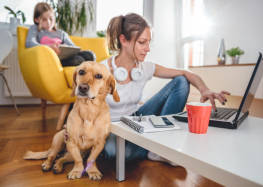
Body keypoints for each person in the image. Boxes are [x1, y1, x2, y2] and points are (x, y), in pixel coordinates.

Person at [100, 13, 230, 164]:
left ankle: (158, 150)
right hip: (112, 129)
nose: (147, 49)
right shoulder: (100, 69)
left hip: (135, 119)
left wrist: (204, 89)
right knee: (122, 154)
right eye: (142, 42)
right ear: (124, 40)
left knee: (181, 81)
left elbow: (186, 74)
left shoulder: (145, 68)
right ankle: (147, 146)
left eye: (149, 42)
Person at [25, 2, 96, 67]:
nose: (48, 22)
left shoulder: (61, 33)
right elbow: (29, 43)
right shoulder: (36, 29)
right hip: (55, 60)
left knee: (90, 55)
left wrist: (65, 47)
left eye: (51, 19)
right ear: (36, 20)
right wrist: (48, 47)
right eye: (44, 19)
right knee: (78, 60)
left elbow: (74, 47)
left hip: (66, 57)